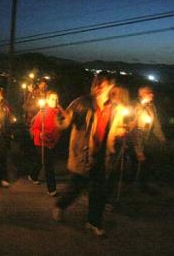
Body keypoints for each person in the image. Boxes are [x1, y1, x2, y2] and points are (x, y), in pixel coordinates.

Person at [51, 72, 126, 237]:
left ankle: (93, 222)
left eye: (102, 84)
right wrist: (61, 118)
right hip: (83, 155)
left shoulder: (116, 107)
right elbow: (65, 121)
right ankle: (60, 205)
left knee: (99, 192)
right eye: (95, 83)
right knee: (76, 187)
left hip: (103, 156)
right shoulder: (81, 103)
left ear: (110, 87)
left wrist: (123, 131)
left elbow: (118, 128)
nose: (97, 87)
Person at [131, 86, 166, 192]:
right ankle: (133, 186)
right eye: (148, 93)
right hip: (134, 140)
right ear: (141, 93)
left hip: (145, 138)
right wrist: (138, 150)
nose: (152, 95)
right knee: (136, 162)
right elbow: (133, 130)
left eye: (152, 92)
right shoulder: (134, 106)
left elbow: (156, 125)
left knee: (145, 163)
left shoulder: (151, 107)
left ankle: (141, 184)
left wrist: (162, 139)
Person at [28, 91, 63, 196]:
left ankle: (33, 175)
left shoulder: (59, 112)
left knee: (40, 161)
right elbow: (35, 128)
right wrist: (39, 134)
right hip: (42, 142)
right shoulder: (42, 112)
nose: (55, 101)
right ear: (47, 100)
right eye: (52, 99)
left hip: (52, 142)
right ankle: (52, 189)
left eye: (56, 99)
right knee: (49, 165)